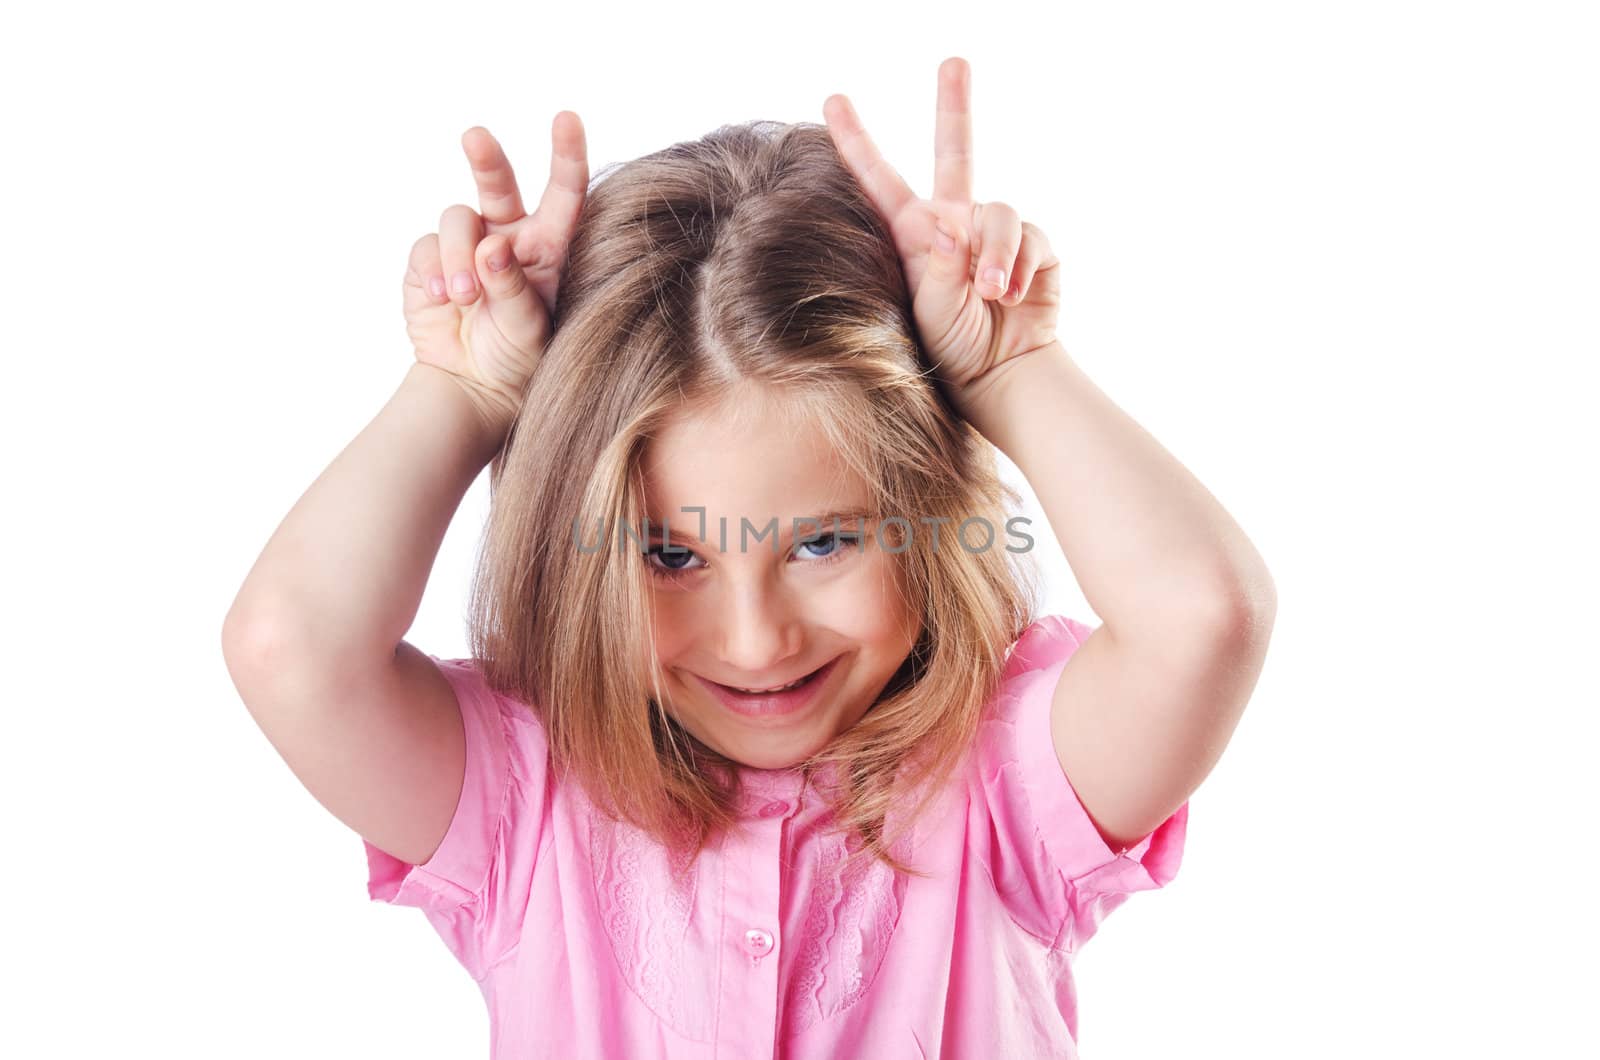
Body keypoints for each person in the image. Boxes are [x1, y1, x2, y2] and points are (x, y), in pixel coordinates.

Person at [222, 56, 1275, 1059]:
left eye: (823, 541)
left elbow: (1202, 618)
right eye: (670, 556)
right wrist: (460, 396)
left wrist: (1014, 368)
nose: (756, 638)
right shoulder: (525, 794)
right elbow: (291, 649)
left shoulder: (1002, 777)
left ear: (926, 517)